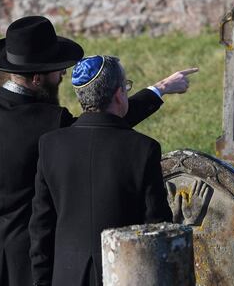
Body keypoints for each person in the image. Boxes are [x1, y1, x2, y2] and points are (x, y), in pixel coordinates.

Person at [0, 16, 196, 286]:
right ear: (36, 78)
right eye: (56, 70)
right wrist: (158, 90)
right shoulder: (51, 123)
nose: (62, 75)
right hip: (29, 265)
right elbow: (102, 128)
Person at [29, 55, 176, 286]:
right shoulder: (143, 149)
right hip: (124, 272)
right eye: (127, 87)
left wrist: (41, 281)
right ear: (118, 95)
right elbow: (157, 225)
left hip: (66, 276)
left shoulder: (50, 145)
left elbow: (41, 227)